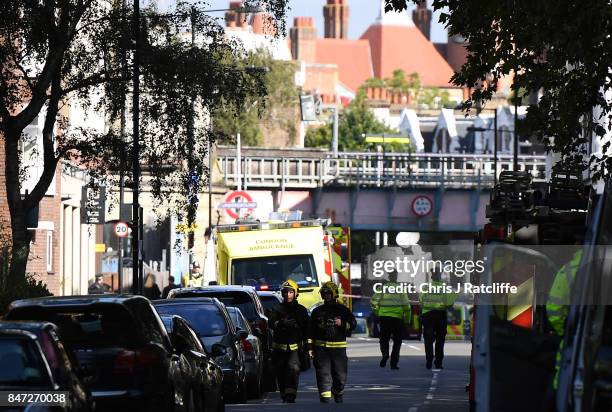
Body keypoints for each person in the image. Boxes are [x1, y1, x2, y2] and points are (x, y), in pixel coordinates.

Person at [310, 281, 356, 403]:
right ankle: (325, 397)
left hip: (338, 350)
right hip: (322, 349)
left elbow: (353, 325)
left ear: (334, 294)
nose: (325, 295)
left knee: (340, 377)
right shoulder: (317, 311)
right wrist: (310, 347)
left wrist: (342, 324)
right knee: (323, 374)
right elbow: (310, 330)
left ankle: (337, 392)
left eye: (328, 293)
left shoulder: (343, 310)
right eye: (323, 293)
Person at [267, 280, 310, 403]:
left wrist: (308, 344)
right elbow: (270, 323)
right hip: (279, 349)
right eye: (285, 292)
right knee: (280, 371)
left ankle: (291, 394)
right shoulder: (277, 309)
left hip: (295, 348)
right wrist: (281, 323)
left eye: (291, 292)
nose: (288, 295)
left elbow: (307, 328)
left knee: (293, 369)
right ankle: (283, 393)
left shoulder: (301, 310)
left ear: (296, 293)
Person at [546, 249, 582, 390]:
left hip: (575, 343)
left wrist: (565, 331)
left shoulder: (570, 270)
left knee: (564, 387)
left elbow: (554, 309)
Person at [370, 271, 411, 369]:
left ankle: (385, 354)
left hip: (384, 318)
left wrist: (377, 312)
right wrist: (407, 320)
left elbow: (373, 301)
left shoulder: (383, 288)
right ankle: (394, 363)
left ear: (389, 277)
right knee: (397, 341)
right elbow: (407, 306)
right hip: (397, 319)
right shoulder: (400, 289)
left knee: (384, 339)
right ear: (396, 277)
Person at [419, 271, 456, 370]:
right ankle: (438, 362)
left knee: (428, 338)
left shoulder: (425, 288)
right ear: (440, 277)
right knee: (440, 340)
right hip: (440, 315)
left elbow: (421, 301)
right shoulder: (444, 288)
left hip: (428, 315)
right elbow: (450, 303)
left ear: (431, 277)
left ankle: (429, 356)